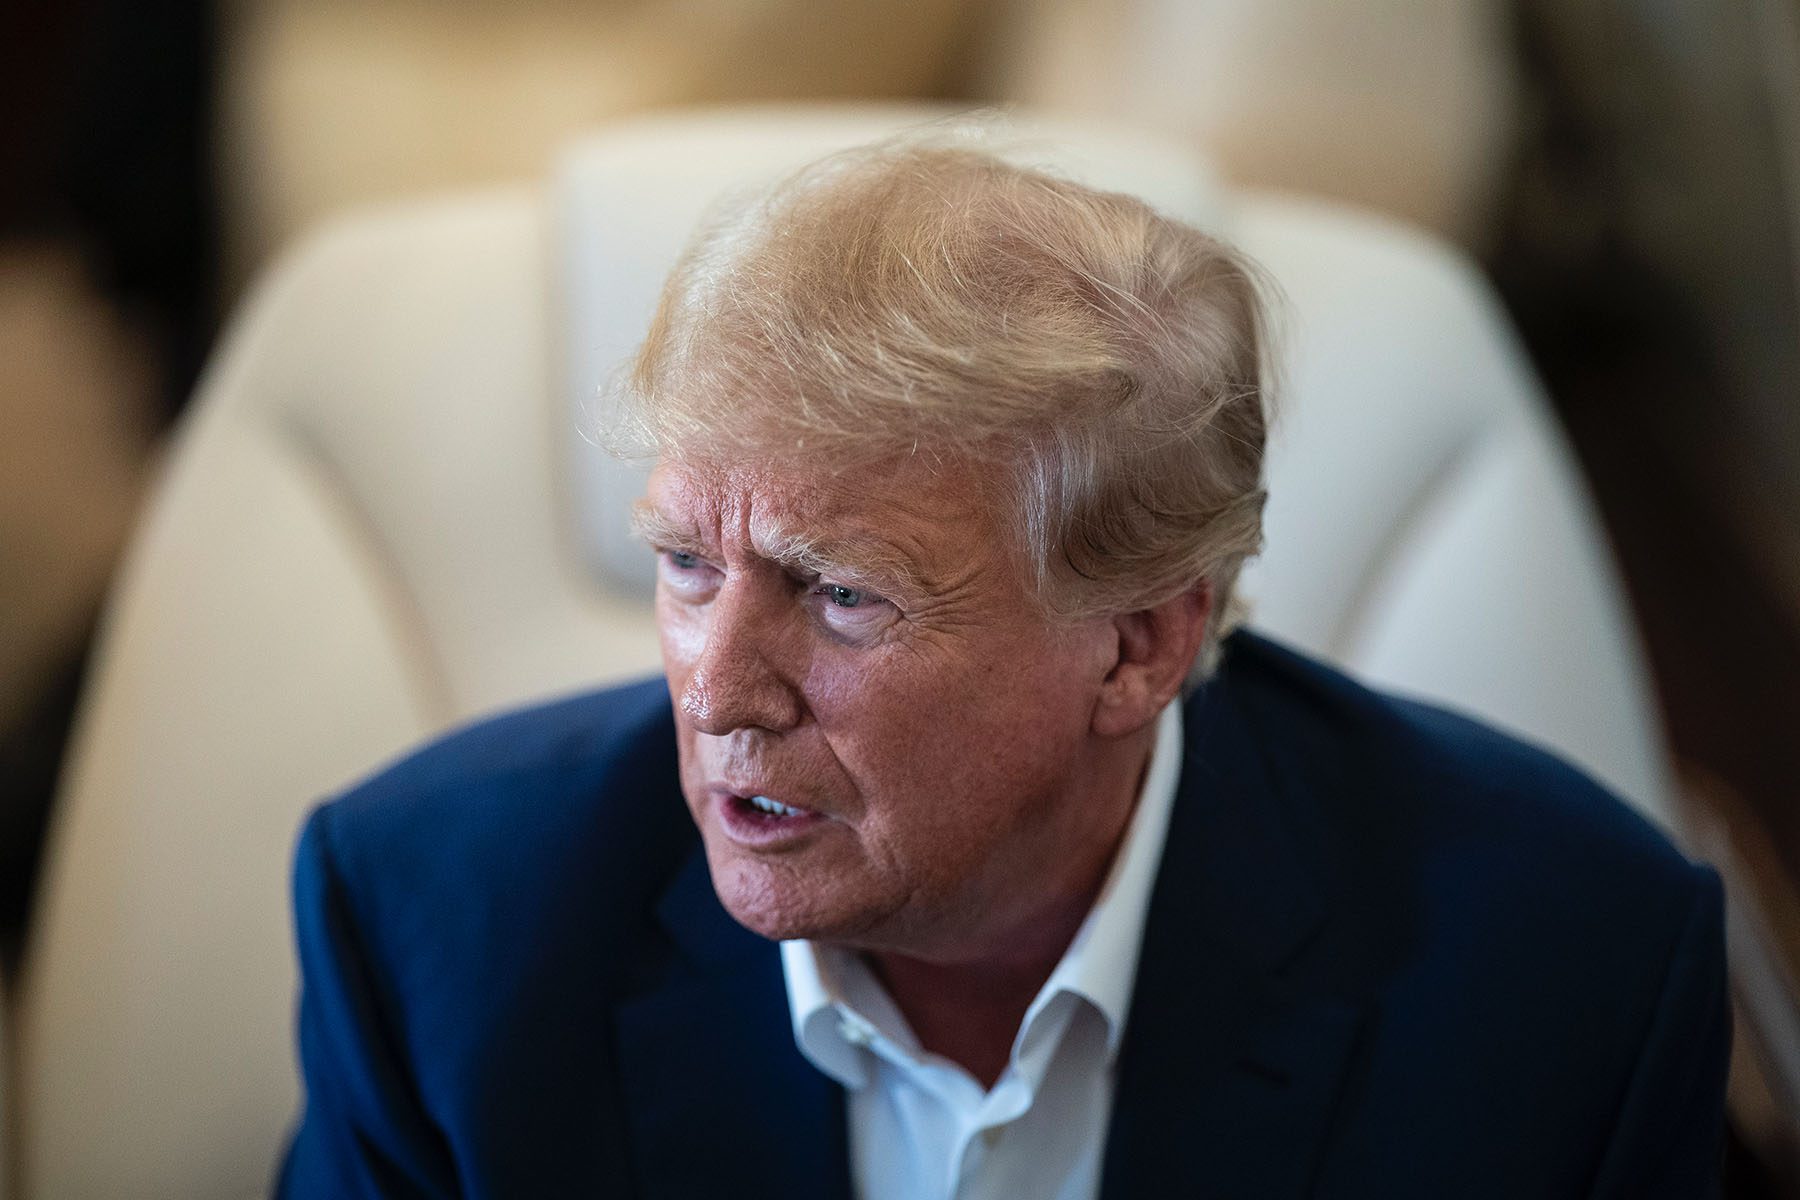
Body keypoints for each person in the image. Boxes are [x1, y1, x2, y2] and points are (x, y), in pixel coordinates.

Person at [275, 137, 1729, 1199]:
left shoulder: (1567, 977)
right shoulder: (431, 930)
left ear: (1142, 645)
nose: (716, 694)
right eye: (685, 566)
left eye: (843, 595)